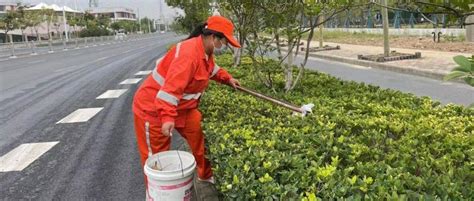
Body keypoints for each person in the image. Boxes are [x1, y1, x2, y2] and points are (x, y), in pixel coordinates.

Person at [132, 15, 241, 186]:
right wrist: (167, 118)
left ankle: (205, 175)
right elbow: (169, 92)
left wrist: (227, 79)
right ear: (213, 38)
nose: (224, 46)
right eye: (224, 42)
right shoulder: (188, 55)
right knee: (157, 161)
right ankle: (158, 194)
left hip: (183, 109)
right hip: (153, 110)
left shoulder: (205, 52)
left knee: (199, 137)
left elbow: (210, 70)